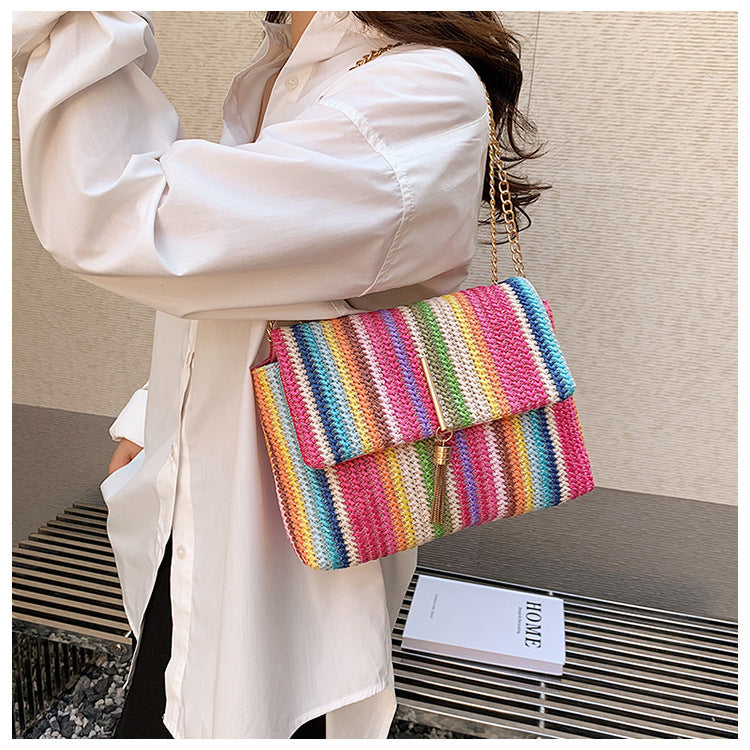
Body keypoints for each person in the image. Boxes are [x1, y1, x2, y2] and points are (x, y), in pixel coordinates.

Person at [12, 10, 547, 739]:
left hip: (297, 548)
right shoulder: (289, 71)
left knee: (256, 705)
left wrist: (86, 18)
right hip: (193, 499)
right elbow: (250, 283)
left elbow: (121, 216)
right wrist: (152, 413)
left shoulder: (417, 89)